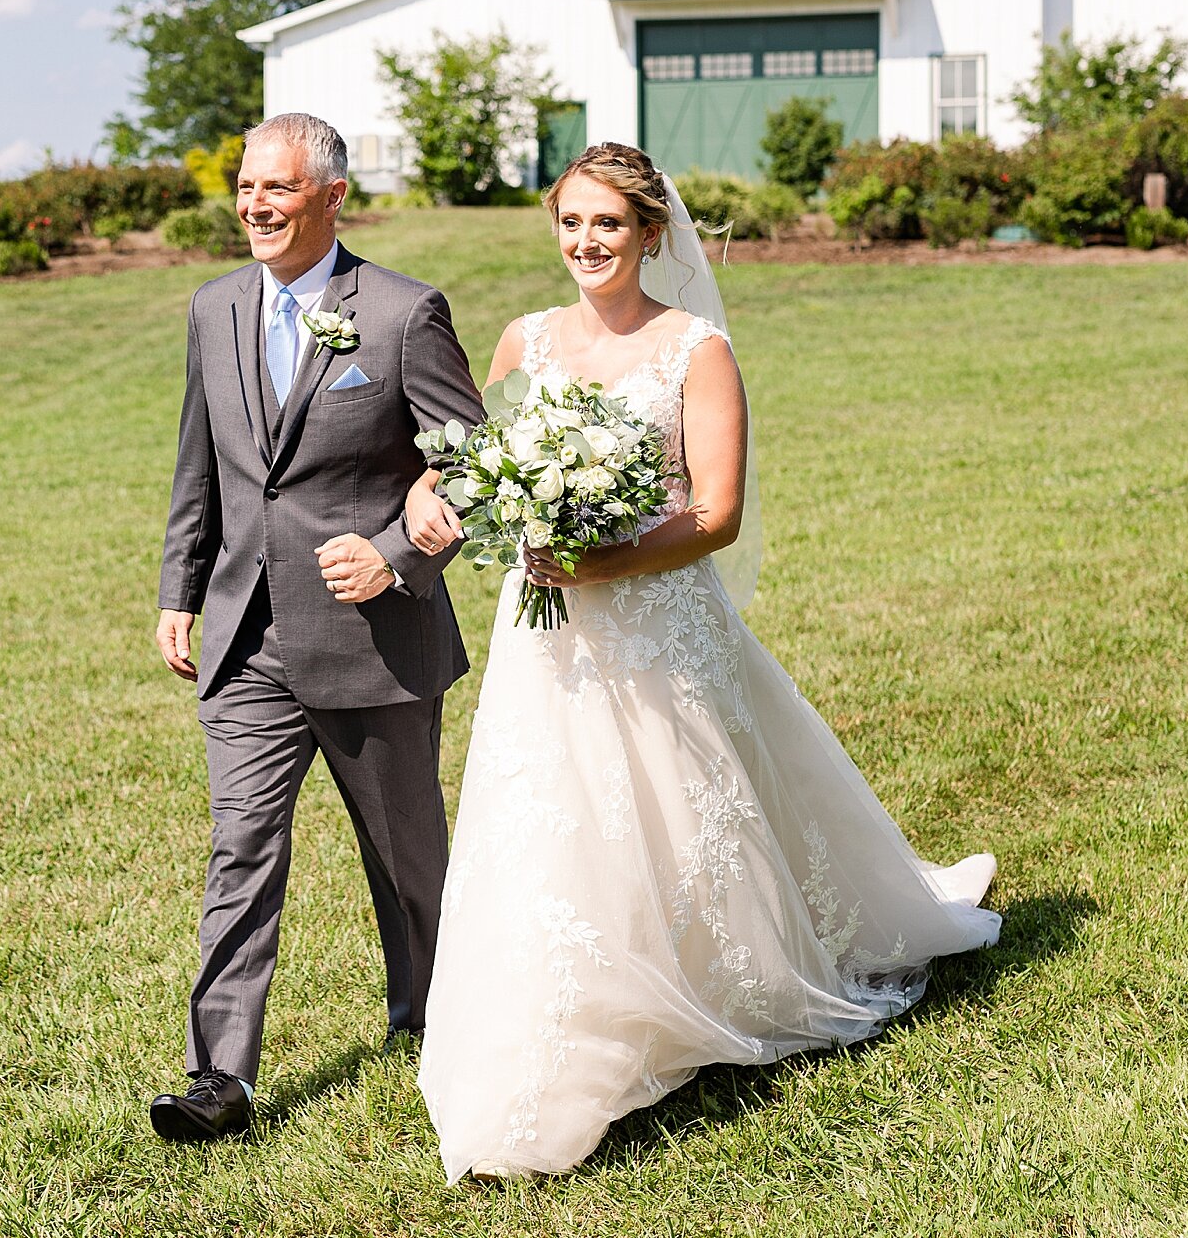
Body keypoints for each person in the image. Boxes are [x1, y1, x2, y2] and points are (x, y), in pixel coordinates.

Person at [406, 142, 1000, 1181]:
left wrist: (606, 557)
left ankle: (709, 983)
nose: (585, 243)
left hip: (655, 616)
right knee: (552, 811)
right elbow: (476, 469)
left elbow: (716, 515)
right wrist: (433, 499)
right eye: (570, 223)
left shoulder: (696, 348)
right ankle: (555, 1018)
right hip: (544, 628)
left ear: (650, 234)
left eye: (607, 225)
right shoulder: (526, 340)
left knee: (676, 804)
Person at [150, 111, 485, 1142]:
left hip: (371, 637)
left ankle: (439, 1021)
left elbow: (472, 464)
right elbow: (200, 462)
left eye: (277, 189)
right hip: (247, 638)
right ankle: (221, 1078)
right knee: (240, 848)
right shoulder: (213, 308)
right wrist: (180, 586)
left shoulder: (399, 313)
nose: (254, 205)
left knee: (407, 857)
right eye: (246, 187)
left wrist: (392, 552)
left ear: (332, 197)